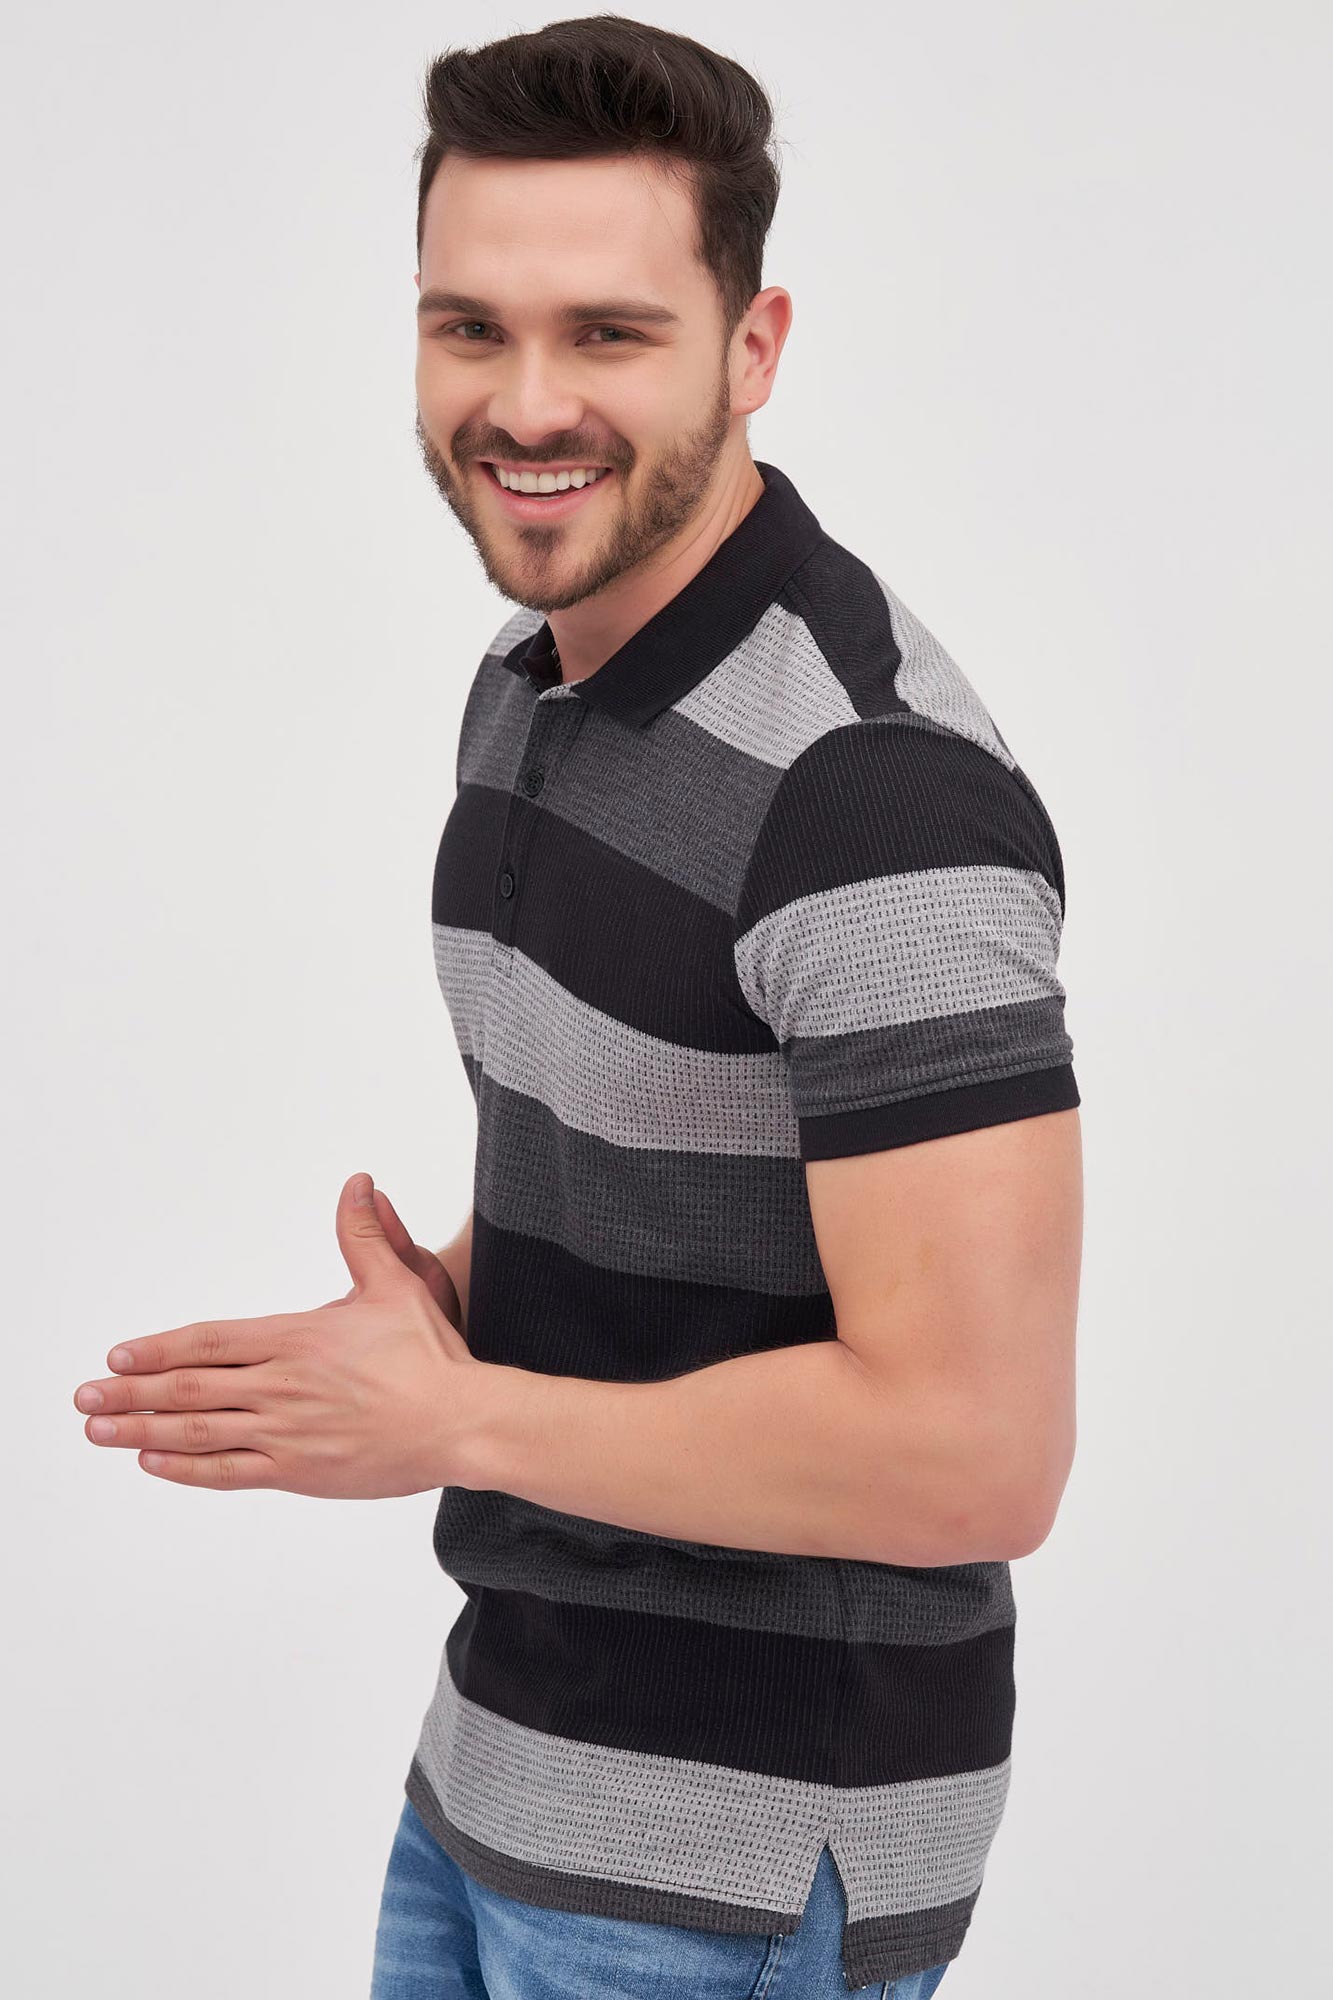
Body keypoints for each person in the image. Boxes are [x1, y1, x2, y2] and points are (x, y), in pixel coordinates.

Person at [70, 14, 1081, 2000]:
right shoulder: (537, 680)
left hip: (733, 1849)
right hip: (507, 1745)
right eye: (471, 329)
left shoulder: (870, 799)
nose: (526, 404)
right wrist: (450, 1308)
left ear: (751, 347)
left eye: (608, 334)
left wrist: (451, 1415)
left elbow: (975, 1452)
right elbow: (695, 1189)